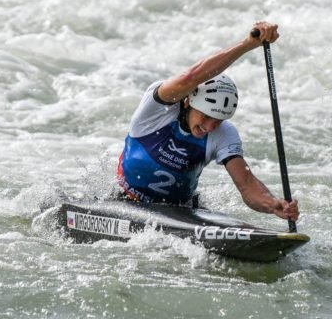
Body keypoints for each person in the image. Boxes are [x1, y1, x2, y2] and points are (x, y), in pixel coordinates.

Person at [116, 22, 299, 222]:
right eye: (206, 116)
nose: (211, 126)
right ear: (188, 100)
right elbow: (190, 77)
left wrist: (272, 204)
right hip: (126, 202)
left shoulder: (225, 134)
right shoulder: (157, 109)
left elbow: (246, 183)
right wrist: (247, 44)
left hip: (180, 212)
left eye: (219, 120)